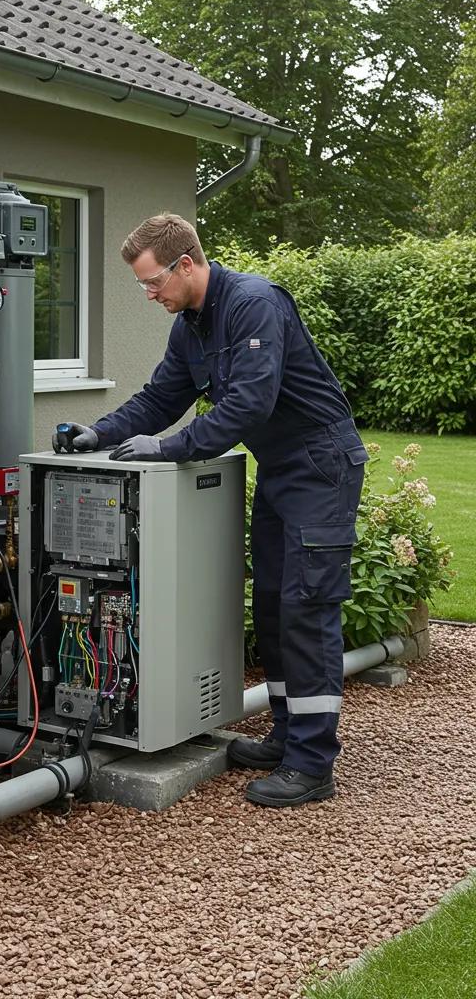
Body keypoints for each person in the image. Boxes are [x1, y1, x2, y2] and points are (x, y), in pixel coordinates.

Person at [53, 213, 368, 808]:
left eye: (153, 283)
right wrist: (99, 434)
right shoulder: (189, 325)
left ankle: (313, 763)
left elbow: (250, 403)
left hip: (321, 466)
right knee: (274, 607)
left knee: (306, 607)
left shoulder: (254, 303)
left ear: (187, 265)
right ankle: (286, 736)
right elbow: (160, 397)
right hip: (282, 469)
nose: (150, 295)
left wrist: (170, 449)